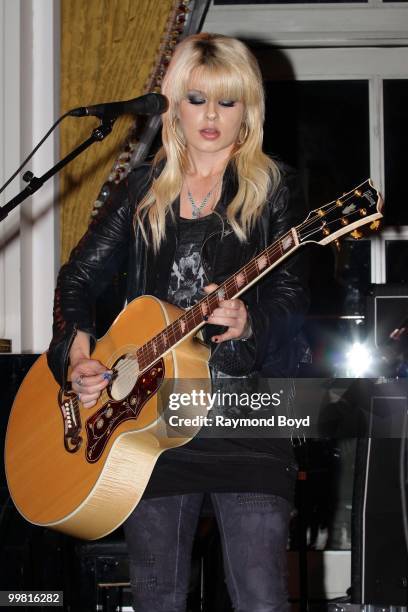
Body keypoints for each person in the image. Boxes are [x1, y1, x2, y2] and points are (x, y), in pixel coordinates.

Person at [48, 33, 309, 612]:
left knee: (261, 595)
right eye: (196, 99)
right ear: (173, 106)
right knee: (157, 597)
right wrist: (79, 352)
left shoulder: (275, 190)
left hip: (246, 410)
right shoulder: (142, 189)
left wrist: (248, 320)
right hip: (150, 416)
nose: (211, 116)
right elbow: (78, 280)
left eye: (227, 101)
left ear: (249, 108)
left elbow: (292, 302)